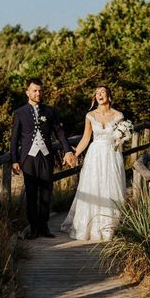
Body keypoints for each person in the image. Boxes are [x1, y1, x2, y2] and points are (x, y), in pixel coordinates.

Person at [11, 78, 76, 240]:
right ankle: (33, 228)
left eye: (40, 91)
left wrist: (68, 150)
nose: (38, 93)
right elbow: (14, 138)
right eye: (34, 90)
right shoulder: (19, 112)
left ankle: (44, 226)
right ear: (27, 92)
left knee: (46, 193)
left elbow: (59, 132)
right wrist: (14, 160)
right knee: (32, 195)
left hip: (46, 157)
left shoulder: (49, 111)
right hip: (28, 159)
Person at [60, 85, 127, 241]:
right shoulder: (90, 115)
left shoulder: (118, 116)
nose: (99, 95)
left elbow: (121, 139)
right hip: (95, 154)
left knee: (110, 188)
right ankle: (90, 226)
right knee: (93, 186)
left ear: (109, 96)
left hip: (112, 154)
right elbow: (86, 138)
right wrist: (75, 154)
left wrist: (122, 140)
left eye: (102, 92)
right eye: (97, 93)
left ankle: (109, 227)